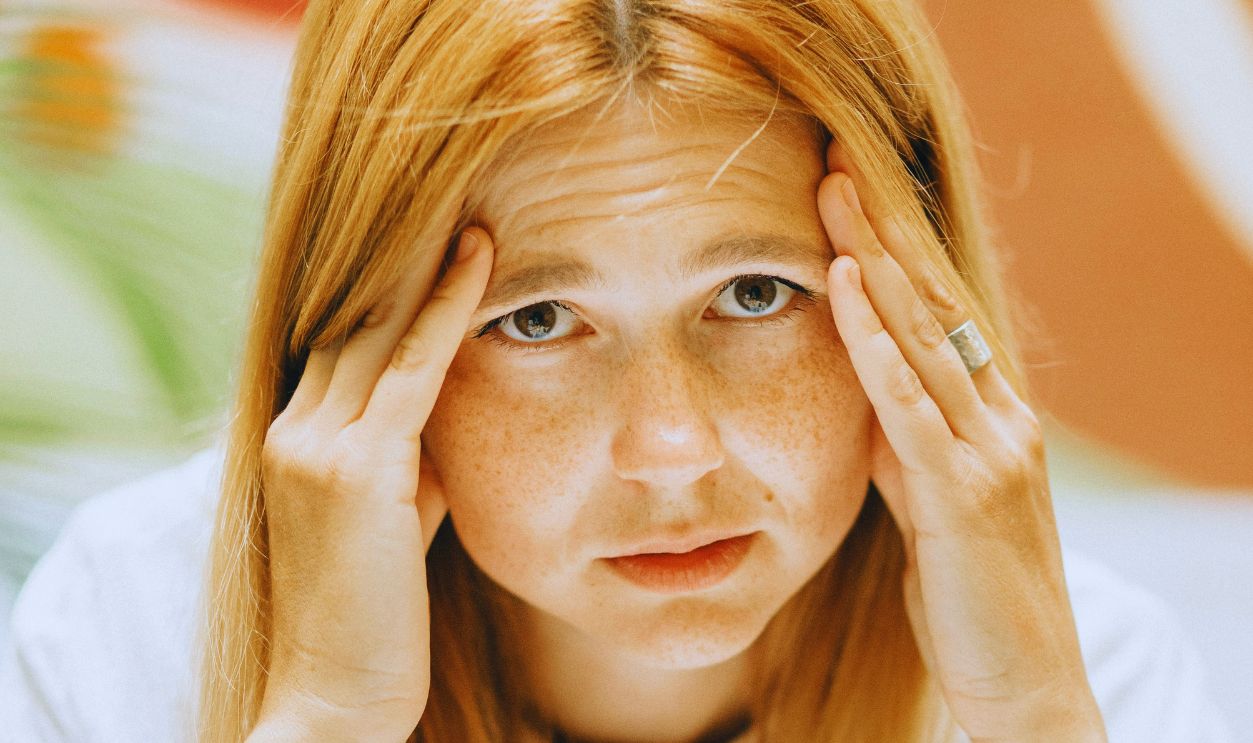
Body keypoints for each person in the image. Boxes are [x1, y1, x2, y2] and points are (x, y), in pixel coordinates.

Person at [0, 0, 1236, 741]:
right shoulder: (136, 621)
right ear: (353, 323)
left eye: (756, 294)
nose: (671, 451)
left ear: (921, 304)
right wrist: (324, 715)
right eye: (535, 319)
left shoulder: (1084, 671)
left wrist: (1028, 717)